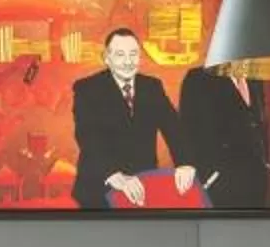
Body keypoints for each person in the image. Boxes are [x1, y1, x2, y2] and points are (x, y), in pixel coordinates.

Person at [68, 28, 193, 211]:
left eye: (133, 54)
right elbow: (87, 136)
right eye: (120, 55)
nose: (128, 61)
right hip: (99, 187)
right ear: (106, 58)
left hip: (144, 184)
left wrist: (185, 163)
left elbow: (173, 127)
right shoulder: (87, 89)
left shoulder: (152, 87)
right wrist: (114, 175)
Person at [175, 65, 270, 210]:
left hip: (255, 181)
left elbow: (256, 123)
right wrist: (210, 176)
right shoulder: (199, 77)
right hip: (220, 185)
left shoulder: (254, 78)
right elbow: (187, 130)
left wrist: (265, 163)